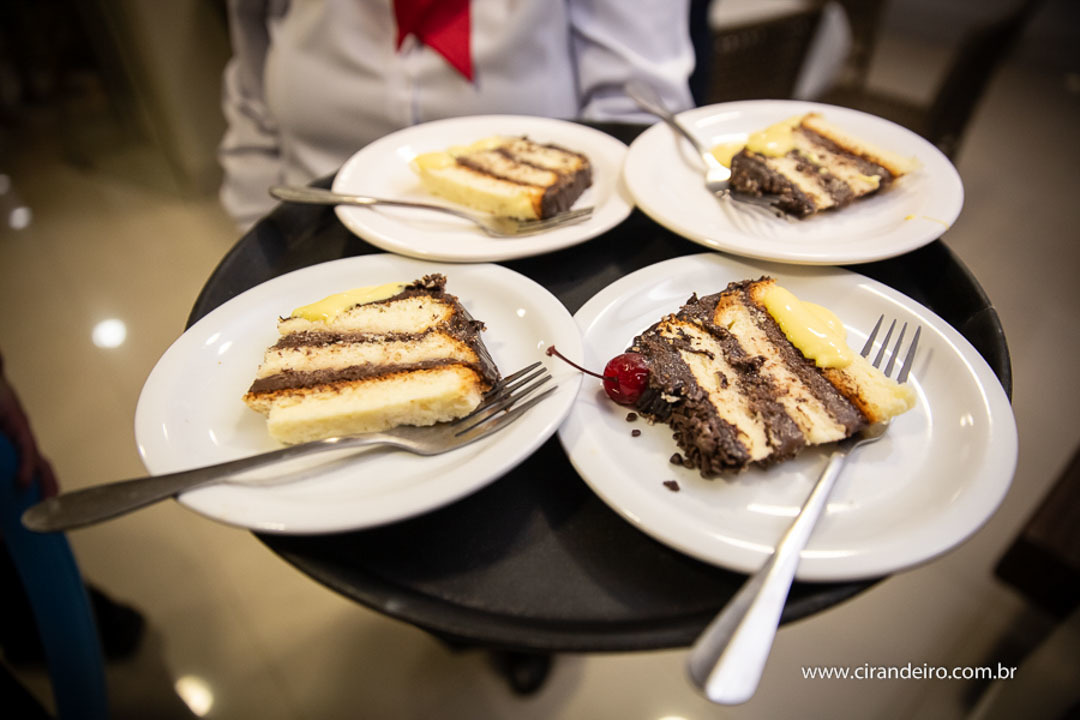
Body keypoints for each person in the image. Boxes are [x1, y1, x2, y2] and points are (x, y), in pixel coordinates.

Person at [219, 0, 697, 229]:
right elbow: (253, 116)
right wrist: (265, 243)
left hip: (540, 246)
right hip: (320, 234)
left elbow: (636, 116)